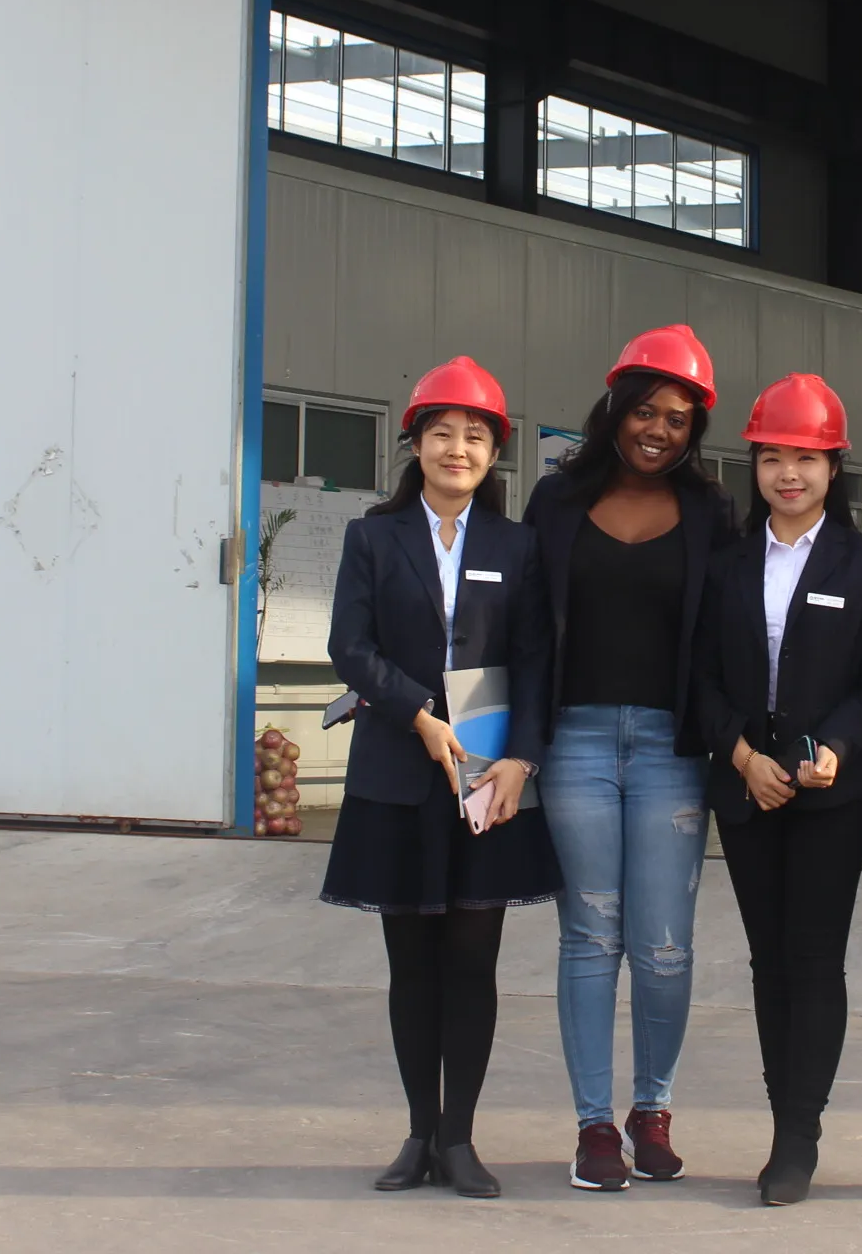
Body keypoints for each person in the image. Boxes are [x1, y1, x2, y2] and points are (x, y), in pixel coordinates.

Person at [319, 355, 559, 1200]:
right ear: (415, 444)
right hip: (398, 770)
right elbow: (349, 648)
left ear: (495, 453)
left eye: (476, 437)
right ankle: (419, 1132)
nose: (459, 449)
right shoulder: (372, 538)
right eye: (443, 433)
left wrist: (519, 760)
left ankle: (460, 1140)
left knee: (472, 961)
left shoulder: (516, 546)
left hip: (486, 776)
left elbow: (535, 660)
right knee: (412, 963)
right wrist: (417, 712)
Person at [524, 324, 738, 1191]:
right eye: (646, 411)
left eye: (679, 419)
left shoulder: (711, 514)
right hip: (573, 741)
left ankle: (653, 1112)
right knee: (589, 936)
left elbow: (729, 640)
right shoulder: (555, 502)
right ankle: (593, 1128)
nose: (659, 430)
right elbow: (524, 628)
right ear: (614, 408)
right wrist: (511, 746)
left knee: (663, 947)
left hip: (670, 750)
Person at [691, 373, 862, 1206]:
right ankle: (783, 1109)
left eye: (807, 458)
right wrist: (742, 756)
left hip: (830, 797)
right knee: (767, 960)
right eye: (774, 457)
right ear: (754, 464)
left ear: (833, 467)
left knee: (813, 960)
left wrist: (838, 749)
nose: (789, 474)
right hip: (749, 790)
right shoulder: (728, 565)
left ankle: (798, 1134)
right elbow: (700, 677)